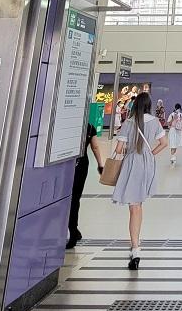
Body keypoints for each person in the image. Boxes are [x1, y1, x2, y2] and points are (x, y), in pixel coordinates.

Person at [110, 91, 167, 269]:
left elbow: (119, 149)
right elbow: (164, 143)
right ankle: (136, 241)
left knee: (133, 207)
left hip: (132, 163)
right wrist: (150, 154)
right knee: (139, 204)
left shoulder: (129, 122)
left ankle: (135, 249)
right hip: (147, 163)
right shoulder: (155, 122)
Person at [67, 120, 104, 248]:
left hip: (66, 164)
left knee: (66, 199)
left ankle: (72, 232)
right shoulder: (89, 127)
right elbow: (95, 147)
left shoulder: (68, 124)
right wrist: (100, 165)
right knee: (75, 199)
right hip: (82, 165)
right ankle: (74, 231)